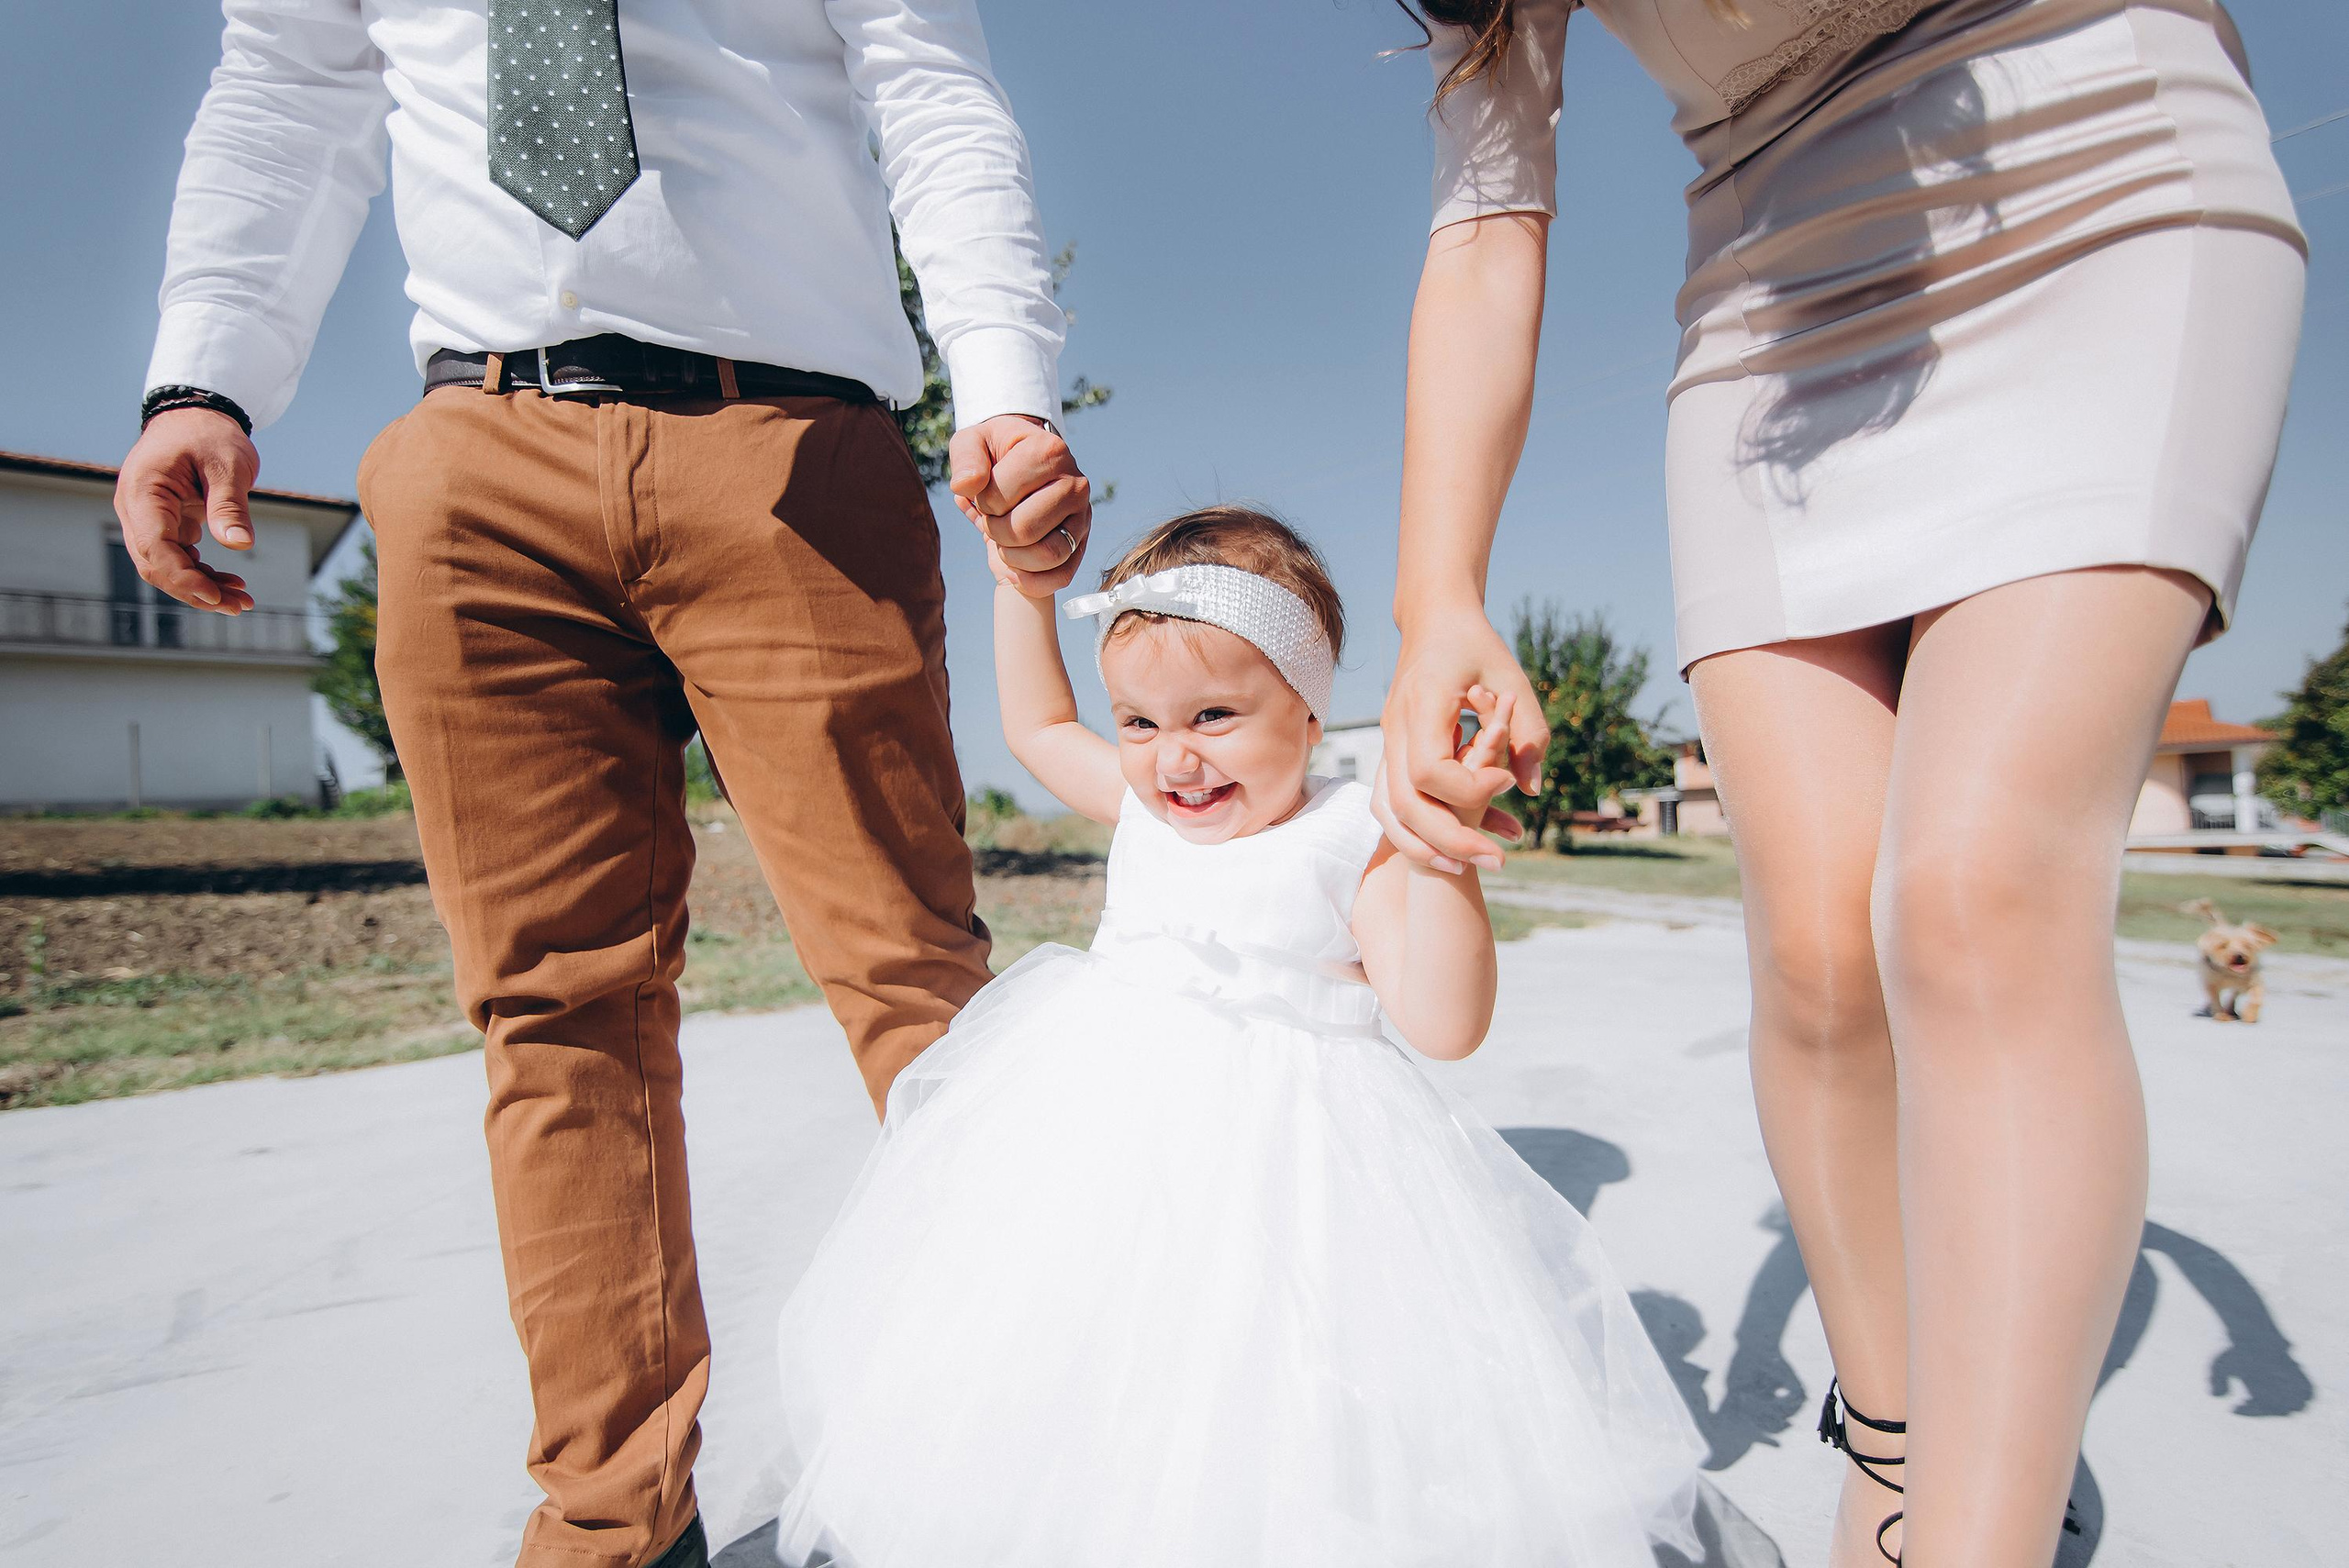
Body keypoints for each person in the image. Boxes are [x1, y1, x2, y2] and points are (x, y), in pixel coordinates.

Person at [112, 4, 1091, 1564]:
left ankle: (1062, 1452)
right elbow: (289, 82)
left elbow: (927, 77)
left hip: (791, 438)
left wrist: (1003, 381)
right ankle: (614, 1521)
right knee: (554, 1012)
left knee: (913, 983)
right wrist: (202, 376)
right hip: (476, 446)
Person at [1371, 1, 2304, 1563]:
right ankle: (1889, 1437)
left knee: (1973, 893)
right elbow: (1483, 223)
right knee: (1815, 950)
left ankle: (1976, 1534)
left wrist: (2249, 1317)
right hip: (1769, 300)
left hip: (2106, 177)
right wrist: (1440, 601)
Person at [768, 506, 1705, 1567]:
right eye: (1137, 722)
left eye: (1213, 713)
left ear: (1307, 712)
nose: (1173, 758)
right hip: (1106, 1136)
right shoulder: (1140, 812)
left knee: (1271, 1410)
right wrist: (1020, 589)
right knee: (1085, 1370)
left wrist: (1441, 856)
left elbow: (1444, 1024)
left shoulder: (1357, 832)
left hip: (1297, 1171)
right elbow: (1035, 726)